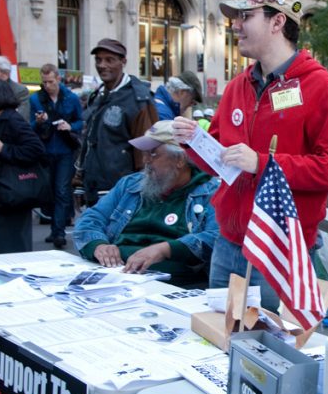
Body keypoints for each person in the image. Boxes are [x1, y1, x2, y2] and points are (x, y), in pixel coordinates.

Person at [170, 0, 328, 309]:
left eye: (246, 16)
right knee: (218, 345)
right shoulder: (239, 85)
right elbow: (222, 159)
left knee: (272, 352)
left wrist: (264, 163)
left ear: (277, 22)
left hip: (279, 250)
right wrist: (193, 143)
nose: (235, 25)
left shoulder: (322, 86)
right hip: (228, 243)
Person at [72, 121, 219, 287]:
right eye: (144, 153)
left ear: (180, 159)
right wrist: (98, 245)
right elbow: (91, 217)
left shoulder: (211, 192)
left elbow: (216, 237)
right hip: (118, 275)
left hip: (174, 283)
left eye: (153, 154)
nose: (145, 161)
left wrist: (165, 249)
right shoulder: (130, 185)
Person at [78, 38, 158, 206]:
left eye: (109, 60)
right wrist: (80, 178)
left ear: (123, 62)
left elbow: (146, 152)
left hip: (121, 192)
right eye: (98, 60)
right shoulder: (98, 95)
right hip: (95, 188)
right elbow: (89, 141)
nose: (102, 65)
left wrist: (141, 193)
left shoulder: (139, 99)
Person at [0, 78, 46, 254]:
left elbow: (36, 149)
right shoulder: (0, 119)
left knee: (8, 249)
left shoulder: (12, 120)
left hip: (9, 196)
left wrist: (6, 149)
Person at [30, 63, 83, 249]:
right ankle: (55, 229)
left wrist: (70, 127)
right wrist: (38, 122)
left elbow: (80, 121)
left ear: (58, 79)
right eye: (44, 82)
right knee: (49, 192)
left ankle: (59, 231)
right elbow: (30, 126)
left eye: (50, 81)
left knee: (61, 190)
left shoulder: (71, 97)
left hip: (65, 150)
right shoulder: (36, 99)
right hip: (45, 151)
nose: (47, 85)